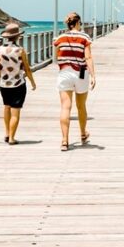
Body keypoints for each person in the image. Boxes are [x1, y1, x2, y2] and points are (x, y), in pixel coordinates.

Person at [53, 12, 95, 150]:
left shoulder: (60, 37)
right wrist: (93, 75)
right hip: (81, 73)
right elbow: (88, 57)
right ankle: (83, 134)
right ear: (78, 23)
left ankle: (64, 140)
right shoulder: (84, 37)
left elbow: (56, 55)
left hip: (64, 72)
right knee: (81, 106)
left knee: (65, 107)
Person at [0, 22, 36, 145]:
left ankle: (7, 133)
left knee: (6, 107)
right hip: (18, 85)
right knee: (15, 112)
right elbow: (27, 69)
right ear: (18, 36)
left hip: (4, 84)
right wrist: (32, 82)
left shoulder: (0, 50)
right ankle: (12, 138)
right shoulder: (20, 50)